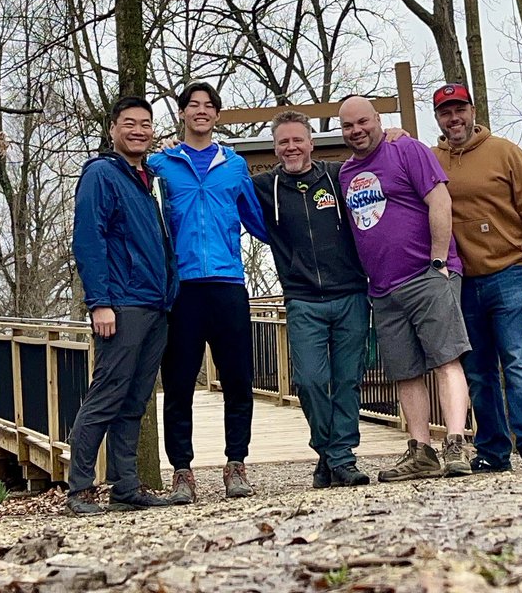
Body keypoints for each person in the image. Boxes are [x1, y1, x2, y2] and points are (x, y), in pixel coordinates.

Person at [338, 95, 472, 482]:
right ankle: (420, 450)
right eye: (348, 126)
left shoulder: (407, 149)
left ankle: (456, 442)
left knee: (447, 358)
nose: (356, 130)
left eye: (363, 121)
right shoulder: (347, 173)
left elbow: (439, 200)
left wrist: (438, 261)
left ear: (378, 120)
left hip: (426, 274)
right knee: (405, 370)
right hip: (382, 288)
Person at [431, 82, 522, 473]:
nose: (454, 119)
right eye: (445, 113)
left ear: (472, 111)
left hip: (510, 269)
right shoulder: (431, 158)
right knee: (478, 367)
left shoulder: (504, 152)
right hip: (461, 280)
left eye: (459, 110)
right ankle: (492, 448)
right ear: (438, 118)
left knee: (519, 358)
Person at [149, 81, 269, 502]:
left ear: (217, 115)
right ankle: (181, 472)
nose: (201, 111)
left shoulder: (233, 166)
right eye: (193, 105)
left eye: (209, 105)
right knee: (178, 384)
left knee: (238, 379)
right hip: (181, 289)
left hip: (227, 284)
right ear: (182, 113)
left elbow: (259, 220)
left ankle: (236, 465)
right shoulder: (160, 165)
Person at [67, 96, 178, 515]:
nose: (138, 130)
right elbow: (89, 239)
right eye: (129, 123)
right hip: (122, 302)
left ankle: (125, 486)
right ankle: (79, 490)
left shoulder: (149, 179)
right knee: (107, 395)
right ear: (113, 129)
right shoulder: (101, 174)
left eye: (145, 124)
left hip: (155, 304)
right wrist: (100, 302)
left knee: (135, 399)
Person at [252, 110, 371, 489]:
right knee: (310, 381)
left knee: (348, 380)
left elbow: (379, 167)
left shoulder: (337, 177)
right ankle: (334, 454)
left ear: (311, 142)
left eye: (297, 139)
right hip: (303, 299)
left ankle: (339, 457)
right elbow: (217, 176)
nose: (291, 147)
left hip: (351, 293)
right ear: (274, 147)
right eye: (283, 141)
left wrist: (398, 136)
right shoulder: (263, 187)